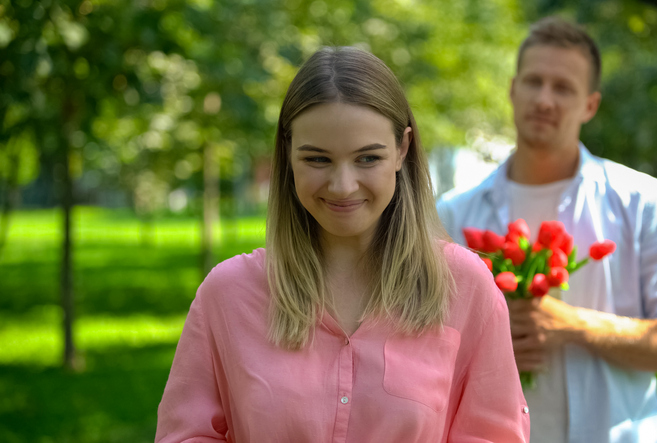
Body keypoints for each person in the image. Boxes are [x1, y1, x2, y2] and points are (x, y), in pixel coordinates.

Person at [155, 47, 529, 443]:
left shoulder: (465, 288)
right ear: (287, 153)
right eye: (318, 160)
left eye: (367, 159)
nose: (342, 186)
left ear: (402, 149)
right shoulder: (227, 295)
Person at [437, 17, 657, 443]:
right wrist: (489, 344)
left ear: (590, 105)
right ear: (513, 89)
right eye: (534, 82)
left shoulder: (642, 201)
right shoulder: (454, 213)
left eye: (563, 87)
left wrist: (572, 324)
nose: (544, 99)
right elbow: (426, 347)